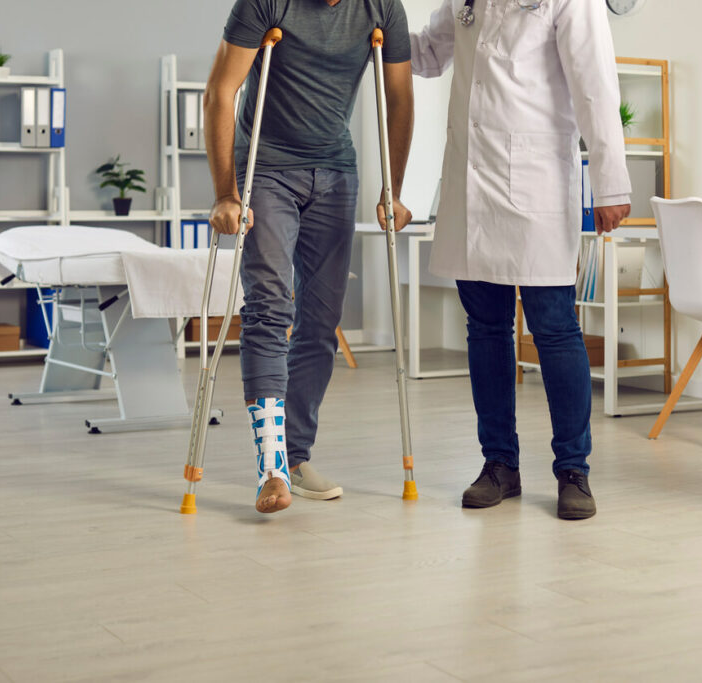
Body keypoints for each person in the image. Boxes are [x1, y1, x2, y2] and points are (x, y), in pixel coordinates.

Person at [410, 0, 632, 519]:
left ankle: (573, 470)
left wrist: (610, 183)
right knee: (484, 327)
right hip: (472, 184)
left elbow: (595, 86)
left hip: (535, 183)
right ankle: (499, 466)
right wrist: (371, 19)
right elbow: (425, 54)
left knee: (554, 328)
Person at [205, 0, 415, 514]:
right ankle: (271, 468)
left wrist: (395, 188)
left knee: (320, 321)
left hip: (336, 172)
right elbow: (220, 92)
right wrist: (226, 193)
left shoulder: (383, 8)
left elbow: (401, 97)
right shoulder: (266, 3)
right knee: (270, 308)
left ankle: (295, 457)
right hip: (268, 168)